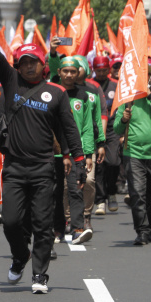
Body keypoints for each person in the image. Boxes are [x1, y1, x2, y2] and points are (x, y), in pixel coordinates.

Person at [0, 0, 85, 295]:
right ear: (17, 66)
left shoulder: (57, 93)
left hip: (43, 170)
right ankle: (19, 256)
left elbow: (69, 131)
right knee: (11, 222)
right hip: (13, 168)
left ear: (42, 65)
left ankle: (39, 274)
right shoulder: (11, 83)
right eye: (22, 62)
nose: (27, 66)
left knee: (42, 224)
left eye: (33, 62)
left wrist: (78, 162)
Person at [113, 59, 151, 245]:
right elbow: (116, 129)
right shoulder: (128, 97)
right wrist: (123, 120)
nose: (145, 77)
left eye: (148, 74)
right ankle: (142, 231)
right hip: (134, 154)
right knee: (138, 194)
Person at [58, 57, 102, 245]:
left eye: (73, 71)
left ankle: (79, 227)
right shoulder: (53, 92)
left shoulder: (85, 96)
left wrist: (88, 154)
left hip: (77, 152)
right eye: (65, 71)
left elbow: (87, 127)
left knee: (78, 187)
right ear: (59, 72)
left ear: (78, 74)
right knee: (55, 191)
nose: (69, 75)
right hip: (54, 151)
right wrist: (52, 52)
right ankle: (57, 229)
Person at [91, 56, 121, 213]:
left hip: (113, 128)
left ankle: (112, 191)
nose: (101, 73)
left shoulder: (116, 85)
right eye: (98, 70)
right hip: (94, 128)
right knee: (99, 165)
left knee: (114, 162)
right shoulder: (90, 85)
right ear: (93, 70)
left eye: (104, 70)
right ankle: (100, 199)